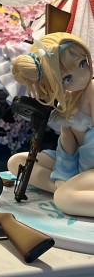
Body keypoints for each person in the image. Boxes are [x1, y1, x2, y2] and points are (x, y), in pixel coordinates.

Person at [9, 32, 94, 218]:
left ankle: (70, 193)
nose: (83, 76)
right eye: (67, 78)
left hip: (90, 166)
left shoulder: (92, 89)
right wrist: (63, 176)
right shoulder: (69, 99)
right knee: (17, 162)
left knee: (64, 198)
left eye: (83, 64)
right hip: (83, 164)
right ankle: (68, 190)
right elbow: (67, 142)